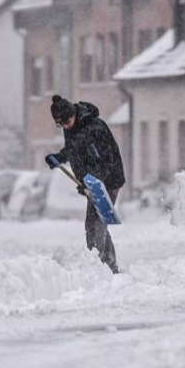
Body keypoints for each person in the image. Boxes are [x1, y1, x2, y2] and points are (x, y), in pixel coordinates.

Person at [45, 95, 125, 274]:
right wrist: (60, 157)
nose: (65, 126)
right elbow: (74, 149)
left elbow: (105, 161)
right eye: (61, 124)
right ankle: (109, 266)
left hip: (109, 180)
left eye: (67, 121)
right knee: (96, 223)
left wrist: (91, 181)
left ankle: (100, 267)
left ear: (73, 114)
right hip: (92, 182)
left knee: (95, 223)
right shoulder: (72, 127)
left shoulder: (94, 128)